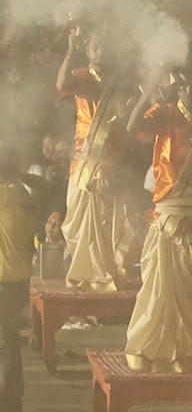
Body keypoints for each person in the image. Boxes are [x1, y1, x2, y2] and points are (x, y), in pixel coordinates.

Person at [124, 73, 192, 372]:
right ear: (179, 86)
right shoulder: (165, 112)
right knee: (162, 291)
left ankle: (189, 349)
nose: (191, 89)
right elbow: (132, 127)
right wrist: (151, 94)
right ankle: (150, 348)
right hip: (171, 210)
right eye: (185, 83)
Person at [56, 28, 137, 292]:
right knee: (80, 223)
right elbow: (61, 85)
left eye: (104, 45)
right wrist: (69, 49)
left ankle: (106, 274)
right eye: (95, 46)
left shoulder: (120, 82)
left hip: (112, 161)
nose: (100, 50)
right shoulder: (80, 77)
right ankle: (84, 276)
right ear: (88, 51)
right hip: (84, 161)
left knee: (107, 225)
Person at [0, 149, 36, 412]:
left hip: (3, 281)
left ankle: (9, 404)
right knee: (9, 341)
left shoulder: (5, 197)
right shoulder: (25, 196)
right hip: (19, 280)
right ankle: (13, 403)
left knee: (6, 343)